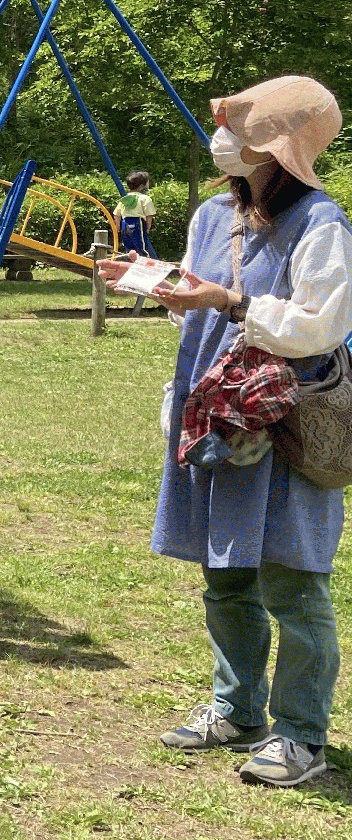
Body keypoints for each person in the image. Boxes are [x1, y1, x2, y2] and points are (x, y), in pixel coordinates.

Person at [100, 76, 349, 787]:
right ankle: (239, 712)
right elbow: (198, 301)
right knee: (226, 574)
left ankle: (301, 735)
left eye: (239, 127)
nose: (223, 140)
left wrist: (232, 301)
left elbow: (321, 326)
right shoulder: (213, 214)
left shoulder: (321, 222)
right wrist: (157, 281)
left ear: (279, 143)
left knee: (292, 584)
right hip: (217, 413)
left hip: (283, 419)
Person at [115, 170, 156, 256]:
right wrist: (148, 226)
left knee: (128, 245)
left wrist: (118, 226)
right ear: (141, 186)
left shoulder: (125, 199)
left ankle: (130, 259)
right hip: (138, 223)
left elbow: (117, 214)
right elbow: (149, 214)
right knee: (141, 246)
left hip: (125, 224)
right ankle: (144, 260)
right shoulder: (144, 198)